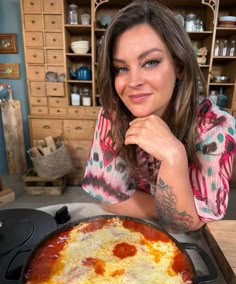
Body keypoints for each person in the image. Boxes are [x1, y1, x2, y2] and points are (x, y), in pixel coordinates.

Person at [82, 0, 236, 233]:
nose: (133, 82)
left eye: (150, 62)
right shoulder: (111, 115)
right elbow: (108, 199)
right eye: (121, 68)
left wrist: (174, 156)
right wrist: (177, 206)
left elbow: (185, 226)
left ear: (180, 67)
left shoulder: (217, 128)